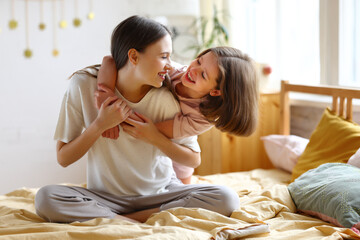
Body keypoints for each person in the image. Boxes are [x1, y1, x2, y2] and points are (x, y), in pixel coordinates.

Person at [34, 15, 240, 223]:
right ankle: (134, 218)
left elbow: (193, 158)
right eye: (164, 56)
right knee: (45, 199)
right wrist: (99, 125)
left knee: (226, 198)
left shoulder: (168, 97)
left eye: (170, 57)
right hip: (105, 197)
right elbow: (63, 158)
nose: (171, 66)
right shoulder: (83, 86)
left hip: (160, 194)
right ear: (133, 57)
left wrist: (153, 136)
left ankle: (121, 220)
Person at [95, 47, 259, 184]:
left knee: (183, 174)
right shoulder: (172, 70)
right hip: (166, 130)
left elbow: (152, 130)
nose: (193, 70)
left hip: (177, 142)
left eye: (203, 75)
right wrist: (105, 95)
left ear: (215, 91)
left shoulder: (203, 117)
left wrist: (117, 120)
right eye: (199, 61)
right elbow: (110, 60)